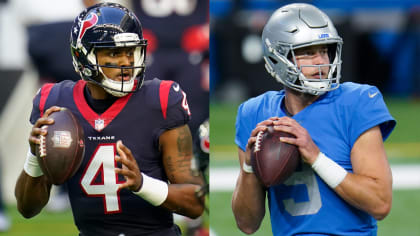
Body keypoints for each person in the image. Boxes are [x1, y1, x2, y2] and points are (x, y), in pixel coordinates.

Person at [15, 3, 204, 236]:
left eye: (130, 51)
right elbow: (27, 209)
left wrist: (143, 185)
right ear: (82, 56)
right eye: (114, 53)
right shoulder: (55, 103)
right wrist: (34, 158)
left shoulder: (161, 101)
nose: (126, 62)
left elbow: (196, 203)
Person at [231, 3, 396, 235]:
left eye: (325, 51)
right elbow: (247, 224)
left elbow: (380, 204)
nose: (321, 62)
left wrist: (316, 157)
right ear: (278, 57)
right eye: (308, 52)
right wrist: (249, 167)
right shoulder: (255, 113)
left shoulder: (357, 102)